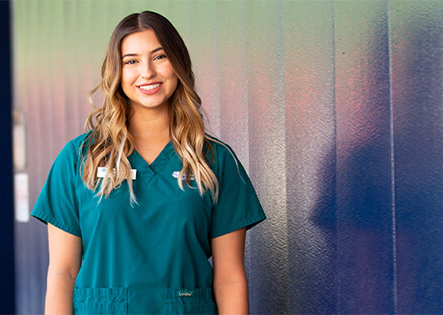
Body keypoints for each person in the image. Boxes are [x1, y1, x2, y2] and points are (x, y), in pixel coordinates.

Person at [30, 10, 266, 315]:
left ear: (178, 64)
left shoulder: (215, 161)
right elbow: (62, 272)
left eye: (160, 57)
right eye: (131, 61)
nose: (147, 73)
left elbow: (230, 278)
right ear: (117, 72)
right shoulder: (79, 159)